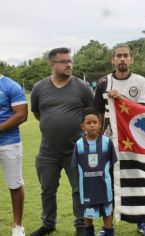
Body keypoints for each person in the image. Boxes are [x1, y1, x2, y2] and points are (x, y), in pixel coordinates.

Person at [30, 47, 94, 236]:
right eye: (64, 61)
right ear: (52, 64)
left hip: (76, 150)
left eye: (70, 61)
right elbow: (37, 113)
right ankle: (48, 224)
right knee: (47, 190)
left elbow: (92, 115)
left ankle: (81, 225)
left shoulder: (82, 87)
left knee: (79, 189)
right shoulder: (39, 88)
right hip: (47, 151)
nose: (69, 64)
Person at [93, 44, 145, 236]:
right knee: (108, 180)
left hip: (133, 139)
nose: (122, 59)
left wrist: (122, 99)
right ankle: (107, 226)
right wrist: (98, 139)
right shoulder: (103, 82)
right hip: (109, 139)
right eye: (118, 56)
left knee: (137, 178)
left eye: (125, 56)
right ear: (113, 60)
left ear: (131, 59)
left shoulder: (140, 81)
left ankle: (142, 222)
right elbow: (98, 113)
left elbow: (143, 111)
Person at [72, 107, 117, 236]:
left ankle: (109, 233)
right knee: (88, 215)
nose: (92, 125)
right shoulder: (79, 144)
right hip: (87, 188)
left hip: (104, 187)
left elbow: (112, 162)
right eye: (88, 123)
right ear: (82, 126)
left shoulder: (107, 142)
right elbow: (75, 166)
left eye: (95, 122)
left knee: (107, 213)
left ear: (100, 124)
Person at [0, 74, 27, 236]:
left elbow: (22, 114)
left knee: (15, 184)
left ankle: (17, 225)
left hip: (9, 143)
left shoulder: (10, 85)